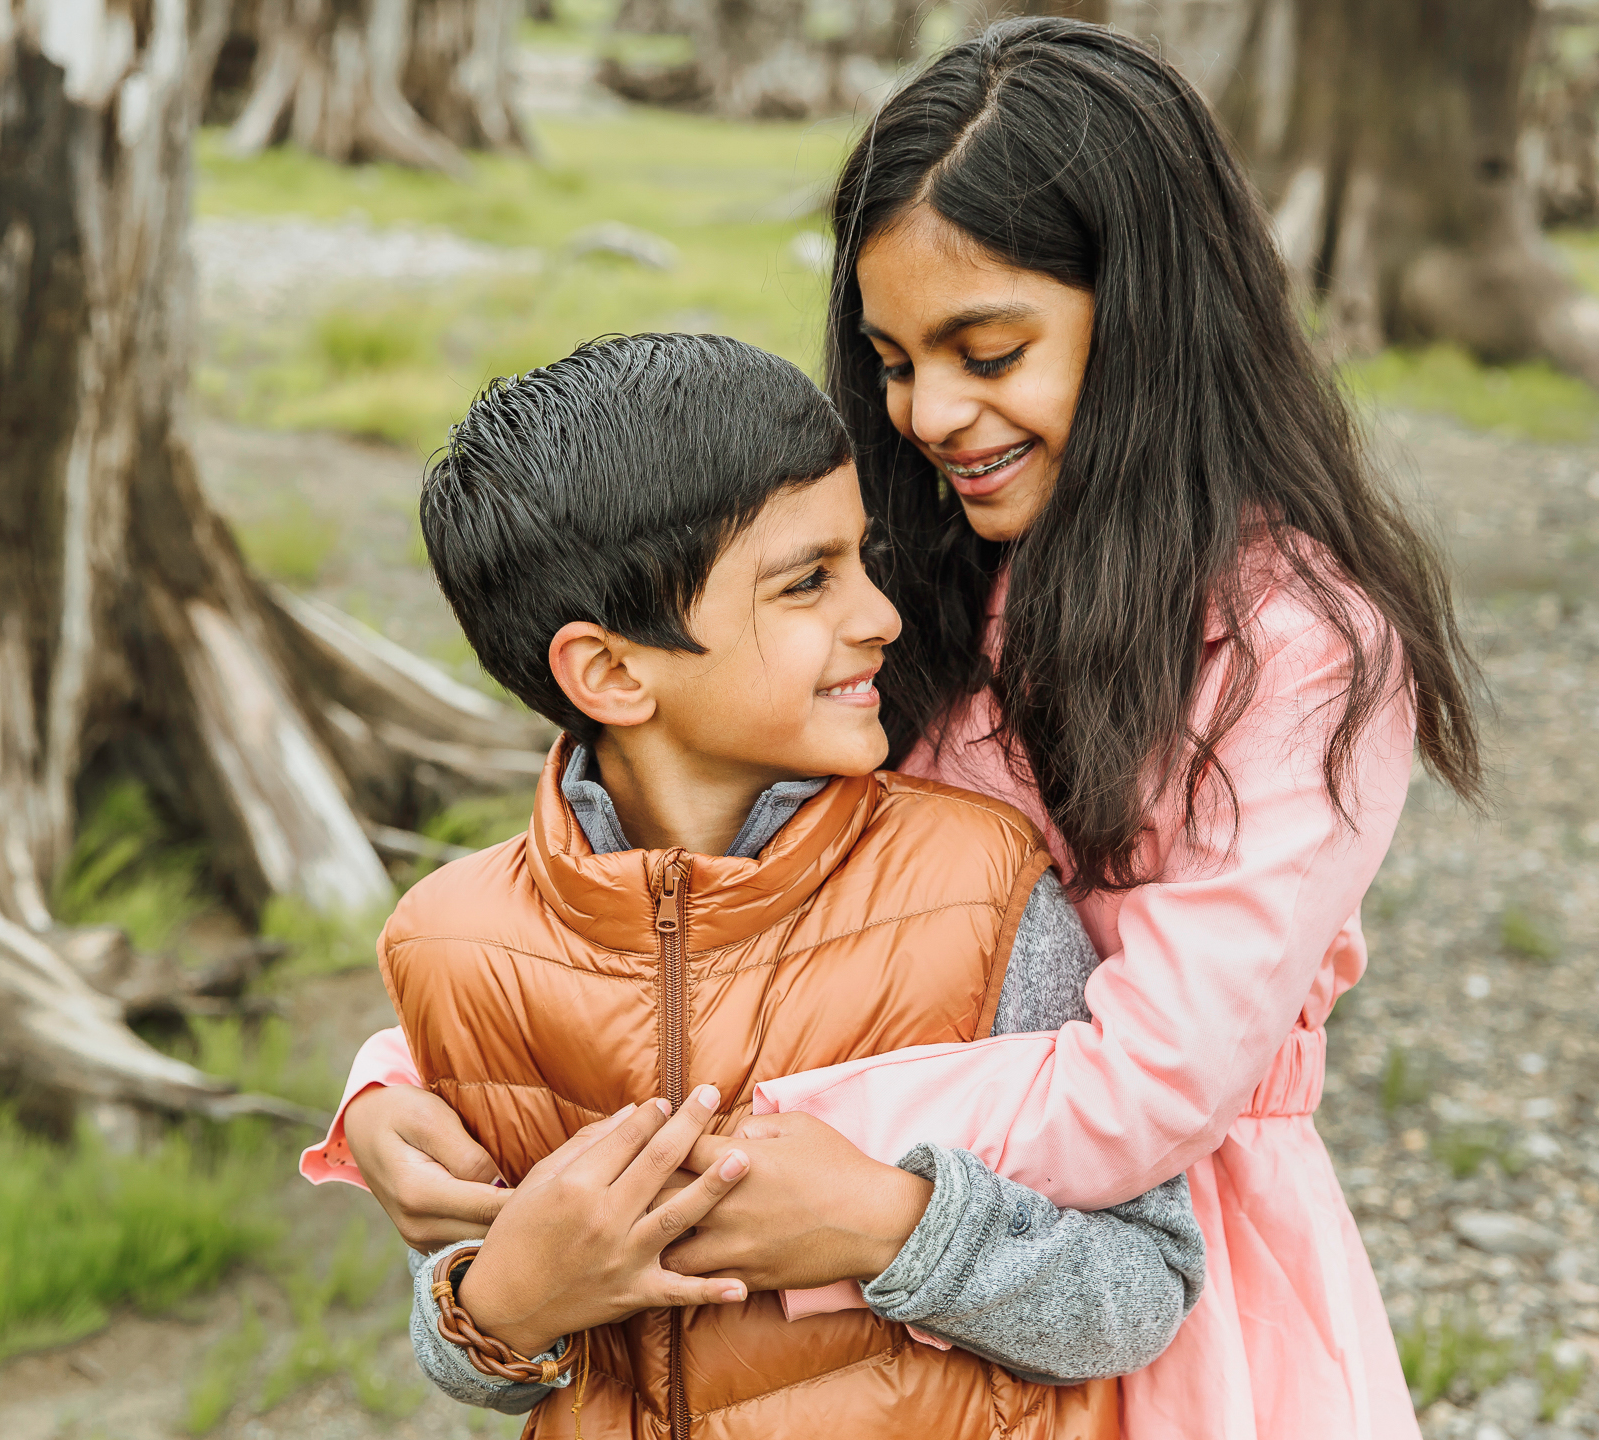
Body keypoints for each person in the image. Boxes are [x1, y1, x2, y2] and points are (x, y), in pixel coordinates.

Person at [311, 19, 1483, 1438]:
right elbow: (660, 892)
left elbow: (1148, 1085)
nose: (929, 414)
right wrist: (398, 1092)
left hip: (1139, 1279)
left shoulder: (1293, 652)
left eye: (988, 350)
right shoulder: (911, 575)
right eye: (891, 360)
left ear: (1155, 317)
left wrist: (736, 1137)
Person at [369, 331, 1204, 1436]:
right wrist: (503, 1303)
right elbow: (488, 1339)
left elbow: (1141, 1288)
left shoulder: (977, 888)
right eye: (808, 582)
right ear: (613, 672)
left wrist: (887, 1229)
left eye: (861, 559)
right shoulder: (450, 945)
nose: (881, 616)